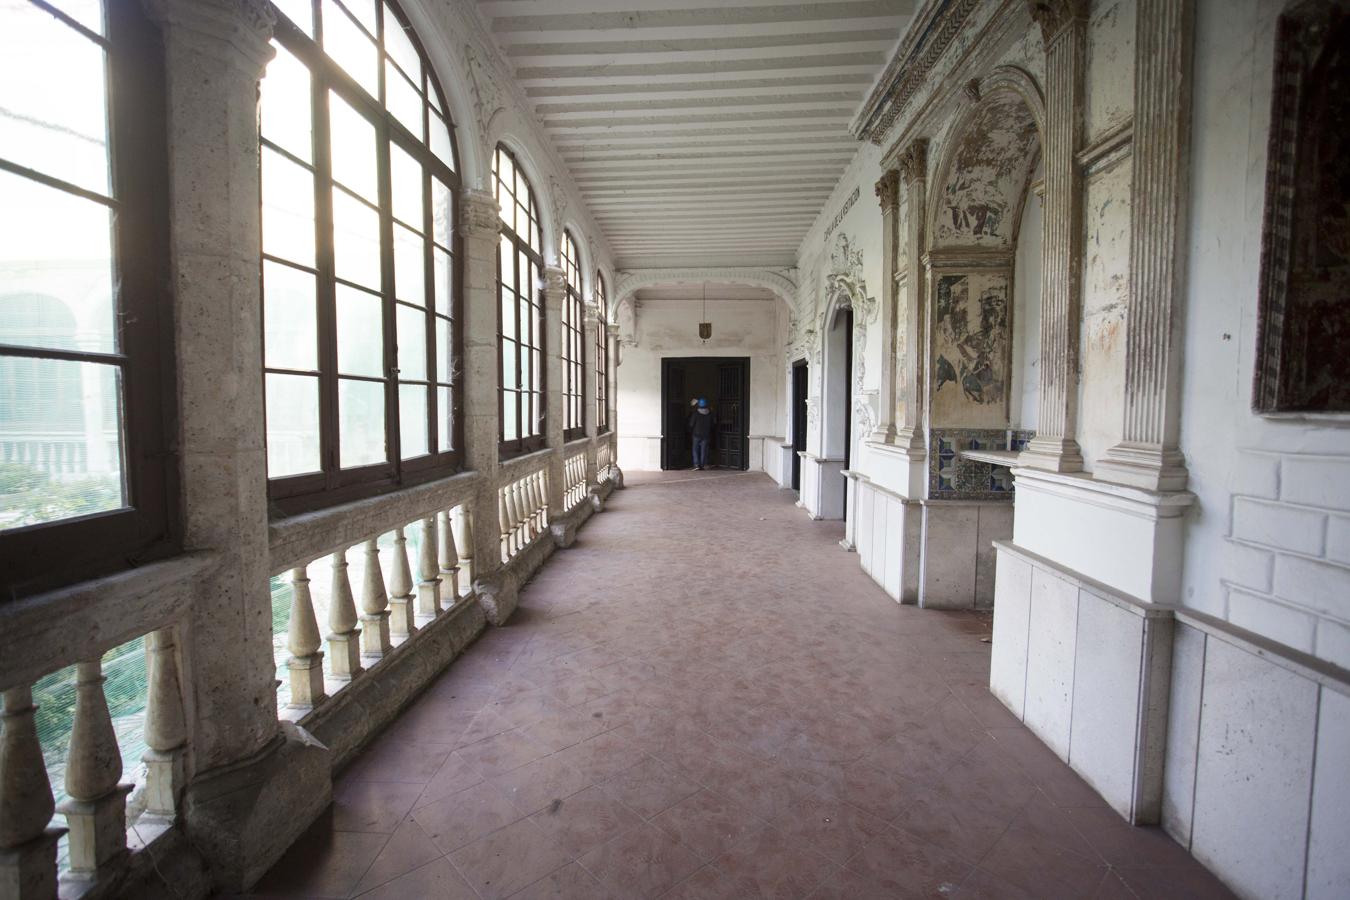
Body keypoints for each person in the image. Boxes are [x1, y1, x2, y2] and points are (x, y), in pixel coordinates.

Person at [689, 397, 714, 470]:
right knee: (704, 450)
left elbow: (691, 424)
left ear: (699, 405)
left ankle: (696, 465)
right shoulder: (710, 414)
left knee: (695, 450)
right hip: (706, 435)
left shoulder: (696, 413)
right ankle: (703, 465)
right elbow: (712, 424)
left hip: (696, 434)